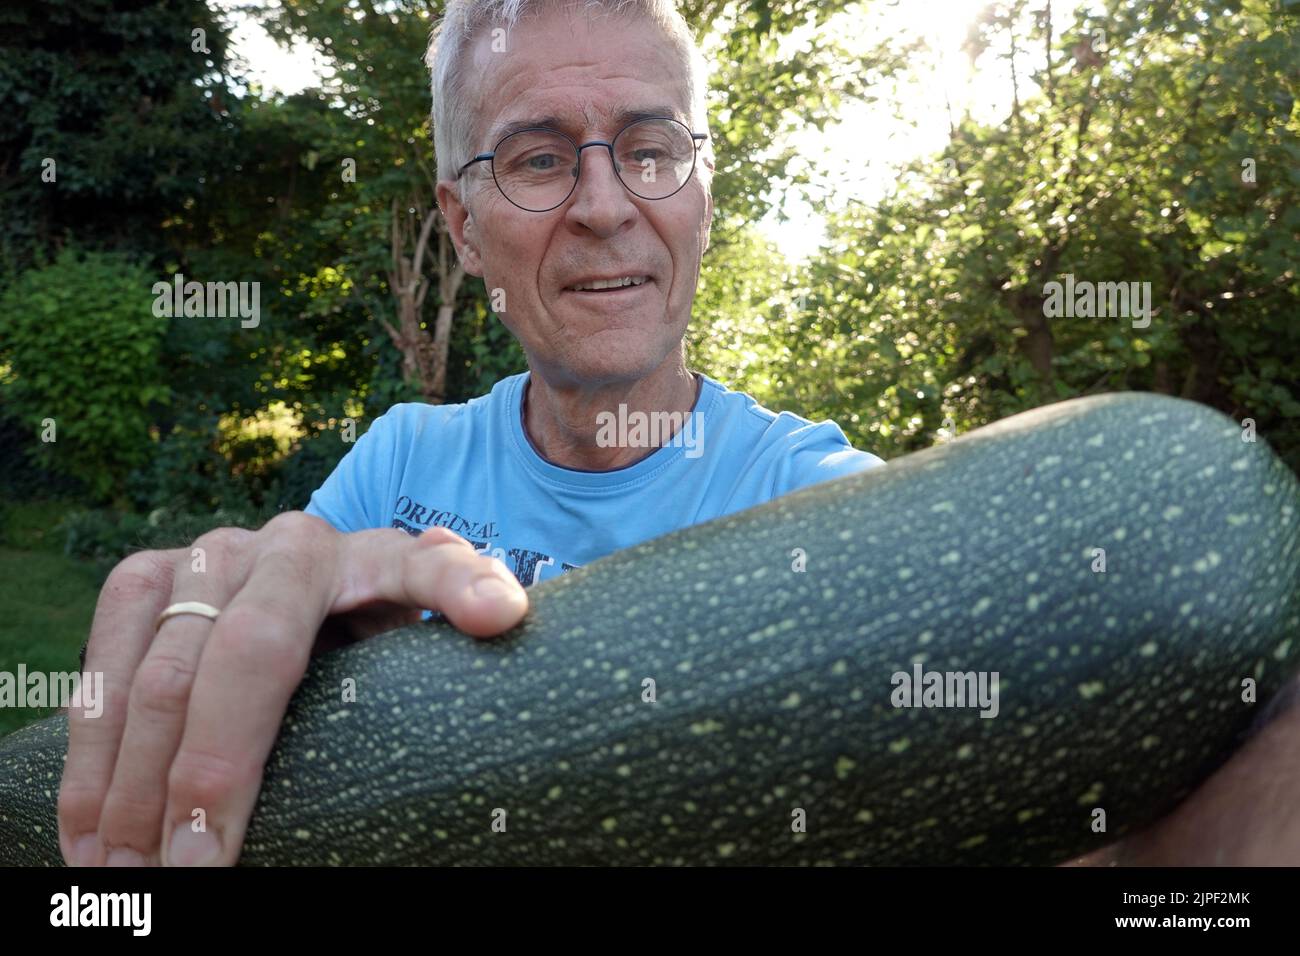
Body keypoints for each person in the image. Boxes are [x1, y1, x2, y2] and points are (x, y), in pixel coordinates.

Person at [57, 0, 1300, 868]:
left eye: (649, 149)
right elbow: (229, 763)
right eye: (538, 161)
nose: (605, 206)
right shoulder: (395, 467)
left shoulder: (821, 504)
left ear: (700, 190)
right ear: (463, 218)